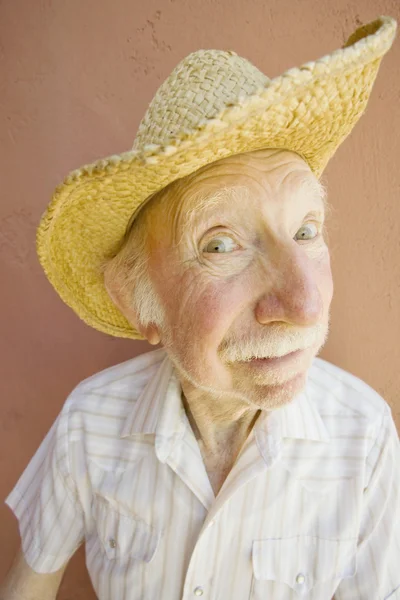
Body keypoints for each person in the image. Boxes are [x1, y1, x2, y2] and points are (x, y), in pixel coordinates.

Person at [1, 15, 399, 600]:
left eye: (307, 230)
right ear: (141, 302)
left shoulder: (364, 436)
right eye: (219, 243)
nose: (306, 304)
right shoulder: (88, 424)